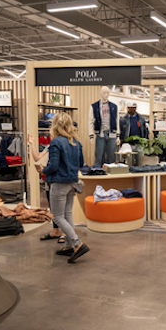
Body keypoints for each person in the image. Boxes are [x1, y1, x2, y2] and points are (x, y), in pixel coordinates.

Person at [41, 112, 89, 263]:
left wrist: (43, 169)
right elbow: (81, 164)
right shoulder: (76, 142)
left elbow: (53, 165)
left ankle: (77, 243)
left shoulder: (56, 142)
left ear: (55, 125)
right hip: (73, 183)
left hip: (59, 183)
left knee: (57, 216)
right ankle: (68, 246)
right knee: (67, 214)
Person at [28, 134, 67, 243]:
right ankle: (55, 231)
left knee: (62, 207)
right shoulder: (51, 145)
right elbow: (37, 158)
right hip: (49, 179)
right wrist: (32, 143)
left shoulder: (66, 145)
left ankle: (65, 232)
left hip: (59, 179)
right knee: (53, 207)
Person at [88, 86, 121, 166]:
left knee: (111, 158)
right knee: (99, 157)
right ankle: (97, 173)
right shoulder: (94, 106)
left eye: (108, 93)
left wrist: (118, 136)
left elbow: (117, 122)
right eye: (104, 93)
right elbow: (90, 121)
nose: (106, 95)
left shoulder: (114, 107)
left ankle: (111, 176)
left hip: (112, 134)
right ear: (100, 93)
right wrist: (91, 136)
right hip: (100, 134)